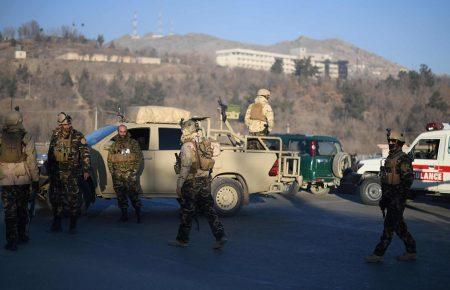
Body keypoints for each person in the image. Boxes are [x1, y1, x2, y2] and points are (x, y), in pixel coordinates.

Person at [168, 119, 227, 249]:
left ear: (186, 130)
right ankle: (220, 235)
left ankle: (182, 240)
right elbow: (216, 153)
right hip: (205, 181)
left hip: (191, 182)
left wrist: (179, 184)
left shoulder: (187, 146)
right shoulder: (204, 142)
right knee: (209, 210)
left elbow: (185, 166)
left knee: (187, 211)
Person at [366, 130, 417, 263]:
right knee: (400, 227)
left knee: (388, 227)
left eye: (393, 141)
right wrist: (384, 199)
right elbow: (386, 180)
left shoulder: (403, 159)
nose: (390, 143)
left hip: (397, 199)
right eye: (389, 141)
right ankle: (411, 251)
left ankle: (378, 254)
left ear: (399, 143)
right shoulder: (390, 158)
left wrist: (397, 197)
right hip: (390, 197)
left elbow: (408, 180)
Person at [0, 110, 39, 251]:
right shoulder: (26, 137)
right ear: (19, 121)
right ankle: (22, 236)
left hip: (5, 180)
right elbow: (32, 161)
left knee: (9, 211)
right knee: (22, 208)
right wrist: (35, 179)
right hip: (23, 179)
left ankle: (11, 242)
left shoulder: (1, 137)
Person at [47, 112, 91, 234]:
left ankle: (72, 226)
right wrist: (49, 168)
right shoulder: (55, 135)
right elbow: (51, 152)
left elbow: (85, 154)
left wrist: (86, 169)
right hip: (57, 173)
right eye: (65, 124)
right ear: (60, 125)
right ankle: (56, 224)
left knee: (73, 199)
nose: (67, 126)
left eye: (68, 124)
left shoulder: (78, 136)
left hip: (72, 173)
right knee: (56, 199)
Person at [107, 125, 143, 223]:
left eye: (124, 132)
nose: (122, 133)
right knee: (121, 197)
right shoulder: (114, 145)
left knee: (134, 196)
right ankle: (124, 215)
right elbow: (110, 159)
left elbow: (138, 157)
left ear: (126, 132)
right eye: (121, 132)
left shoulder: (133, 143)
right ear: (118, 132)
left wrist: (134, 171)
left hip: (129, 175)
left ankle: (138, 214)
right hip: (118, 175)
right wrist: (112, 172)